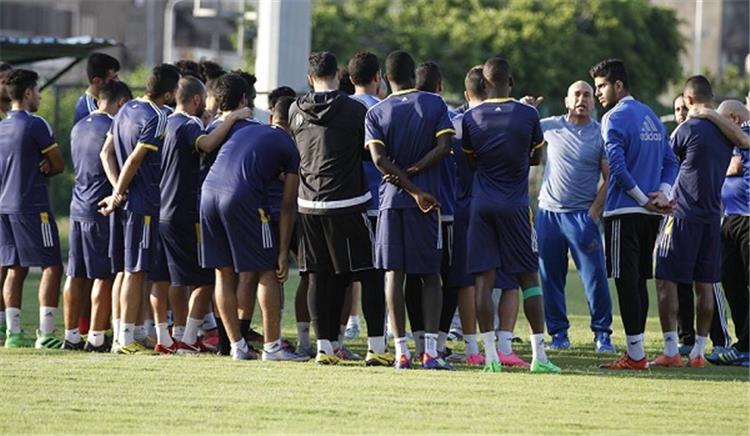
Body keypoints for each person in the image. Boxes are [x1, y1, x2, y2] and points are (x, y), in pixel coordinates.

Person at [462, 57, 559, 374]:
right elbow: (537, 156)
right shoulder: (528, 114)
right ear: (511, 82)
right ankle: (539, 356)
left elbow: (471, 160)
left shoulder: (471, 116)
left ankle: (491, 356)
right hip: (515, 206)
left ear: (484, 83)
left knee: (483, 279)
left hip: (482, 205)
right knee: (529, 277)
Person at [288, 52, 381, 365]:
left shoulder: (294, 109)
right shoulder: (355, 110)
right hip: (347, 202)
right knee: (368, 274)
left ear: (310, 78)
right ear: (339, 76)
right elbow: (368, 153)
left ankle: (324, 348)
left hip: (308, 204)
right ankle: (377, 348)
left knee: (319, 276)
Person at [149, 76, 252, 354]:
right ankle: (188, 337)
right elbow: (206, 145)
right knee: (205, 278)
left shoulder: (165, 121)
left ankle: (172, 336)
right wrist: (232, 118)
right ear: (196, 99)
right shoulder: (189, 124)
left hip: (162, 209)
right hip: (185, 210)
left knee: (175, 278)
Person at [365, 50, 454, 370]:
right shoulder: (434, 104)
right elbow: (445, 147)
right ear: (413, 73)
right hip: (427, 201)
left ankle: (401, 352)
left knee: (393, 274)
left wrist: (405, 182)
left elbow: (379, 160)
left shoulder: (376, 111)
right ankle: (430, 352)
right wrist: (417, 180)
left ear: (384, 78)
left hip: (391, 202)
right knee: (431, 275)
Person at [589, 58, 679, 370]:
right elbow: (671, 161)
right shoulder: (651, 115)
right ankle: (637, 353)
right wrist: (663, 194)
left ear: (618, 85)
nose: (598, 92)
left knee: (626, 281)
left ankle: (636, 356)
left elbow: (617, 166)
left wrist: (644, 199)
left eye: (602, 86)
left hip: (624, 210)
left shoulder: (612, 117)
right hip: (650, 215)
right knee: (639, 280)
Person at [653, 76, 741, 368]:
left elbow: (667, 165)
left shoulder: (686, 129)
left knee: (666, 279)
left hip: (682, 214)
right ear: (712, 99)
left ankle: (671, 350)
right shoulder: (727, 133)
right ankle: (699, 353)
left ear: (688, 100)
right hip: (712, 217)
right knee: (705, 285)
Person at [200, 122, 301, 361]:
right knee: (267, 270)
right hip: (242, 197)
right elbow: (288, 205)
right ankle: (272, 347)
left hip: (207, 195)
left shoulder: (247, 130)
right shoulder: (290, 146)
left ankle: (237, 346)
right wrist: (283, 252)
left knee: (223, 272)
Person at [98, 63, 180, 355]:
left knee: (126, 270)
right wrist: (118, 193)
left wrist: (116, 191)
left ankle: (125, 335)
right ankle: (125, 340)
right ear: (169, 93)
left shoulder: (125, 109)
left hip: (126, 202)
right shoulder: (158, 117)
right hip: (142, 204)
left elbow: (105, 153)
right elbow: (134, 160)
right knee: (135, 271)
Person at [533, 80, 614, 353]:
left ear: (593, 101)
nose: (582, 99)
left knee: (595, 278)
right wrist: (526, 110)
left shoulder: (601, 133)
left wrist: (594, 213)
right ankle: (558, 334)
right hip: (549, 215)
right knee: (550, 278)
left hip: (582, 217)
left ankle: (602, 335)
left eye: (587, 95)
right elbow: (520, 132)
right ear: (567, 101)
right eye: (576, 95)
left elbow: (610, 178)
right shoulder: (549, 126)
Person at [63, 80, 133, 352]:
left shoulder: (79, 125)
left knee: (75, 274)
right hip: (102, 208)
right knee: (104, 275)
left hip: (77, 206)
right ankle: (96, 337)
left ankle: (71, 335)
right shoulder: (114, 127)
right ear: (121, 103)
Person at [0, 69, 66, 348]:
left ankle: (13, 334)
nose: (39, 96)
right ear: (28, 93)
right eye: (38, 91)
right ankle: (46, 334)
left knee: (14, 268)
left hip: (4, 207)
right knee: (52, 266)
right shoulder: (36, 124)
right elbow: (59, 164)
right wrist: (47, 165)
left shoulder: (1, 125)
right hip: (32, 206)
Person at [671, 93, 734, 357]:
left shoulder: (715, 132)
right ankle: (687, 340)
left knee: (707, 283)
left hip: (707, 217)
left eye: (683, 107)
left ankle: (720, 340)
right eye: (676, 109)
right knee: (681, 281)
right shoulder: (680, 135)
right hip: (683, 215)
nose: (681, 113)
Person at [344, 51, 391, 365]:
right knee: (377, 275)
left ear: (350, 79)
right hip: (376, 202)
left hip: (341, 202)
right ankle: (379, 341)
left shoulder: (340, 108)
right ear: (378, 78)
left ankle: (333, 341)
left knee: (341, 275)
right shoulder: (382, 110)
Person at [709, 100, 750, 367]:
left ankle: (745, 347)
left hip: (748, 218)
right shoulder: (732, 138)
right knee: (731, 282)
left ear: (733, 118)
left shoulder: (745, 132)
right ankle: (744, 343)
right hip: (730, 219)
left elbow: (734, 165)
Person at [74, 53, 120, 124]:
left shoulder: (107, 99)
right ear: (97, 81)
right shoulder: (90, 112)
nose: (118, 81)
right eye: (114, 78)